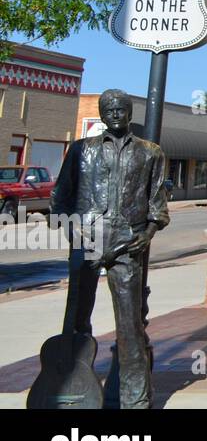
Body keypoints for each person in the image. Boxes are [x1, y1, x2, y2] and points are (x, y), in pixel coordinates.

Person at [51, 90, 169, 409]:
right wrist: (73, 230)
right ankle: (73, 389)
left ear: (129, 112)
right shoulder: (80, 150)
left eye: (121, 109)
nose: (115, 114)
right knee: (75, 318)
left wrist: (147, 234)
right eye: (109, 109)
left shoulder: (150, 153)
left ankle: (135, 400)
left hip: (127, 242)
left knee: (129, 326)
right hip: (86, 240)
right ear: (102, 115)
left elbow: (158, 206)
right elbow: (59, 199)